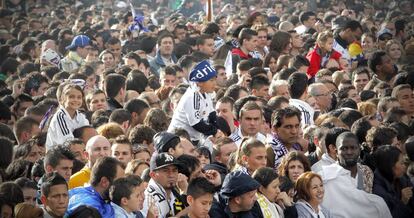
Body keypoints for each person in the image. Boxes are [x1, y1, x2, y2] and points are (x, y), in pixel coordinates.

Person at [168, 60, 220, 144]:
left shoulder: (205, 93)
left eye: (215, 79)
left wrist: (217, 130)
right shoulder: (192, 97)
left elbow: (212, 115)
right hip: (177, 140)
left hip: (194, 138)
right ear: (200, 83)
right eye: (211, 80)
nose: (215, 83)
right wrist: (215, 132)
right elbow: (197, 124)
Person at [372, 145, 414, 217]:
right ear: (390, 166)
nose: (404, 166)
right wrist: (403, 202)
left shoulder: (400, 177)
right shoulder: (378, 192)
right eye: (401, 163)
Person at [46, 83, 89, 150]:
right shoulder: (60, 117)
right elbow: (68, 142)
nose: (76, 100)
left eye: (79, 97)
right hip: (59, 155)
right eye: (71, 97)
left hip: (78, 151)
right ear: (63, 99)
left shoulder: (81, 116)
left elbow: (88, 134)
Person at [141, 152, 186, 217]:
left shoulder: (173, 193)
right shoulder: (148, 198)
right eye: (165, 171)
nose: (171, 175)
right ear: (153, 175)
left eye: (174, 170)